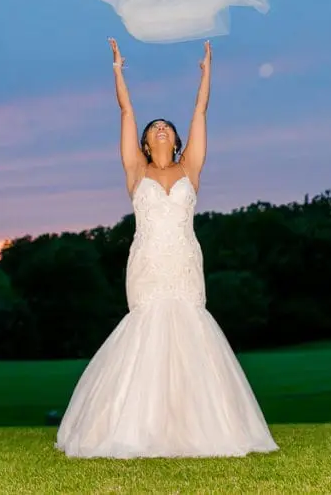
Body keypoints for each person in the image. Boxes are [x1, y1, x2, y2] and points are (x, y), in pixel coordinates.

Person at [54, 38, 279, 459]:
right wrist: (118, 71)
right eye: (153, 126)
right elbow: (126, 111)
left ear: (174, 139)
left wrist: (207, 72)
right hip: (148, 264)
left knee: (189, 331)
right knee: (148, 332)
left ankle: (198, 430)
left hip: (184, 262)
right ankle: (134, 428)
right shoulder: (135, 170)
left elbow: (200, 112)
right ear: (144, 142)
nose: (160, 127)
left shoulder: (190, 167)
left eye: (166, 126)